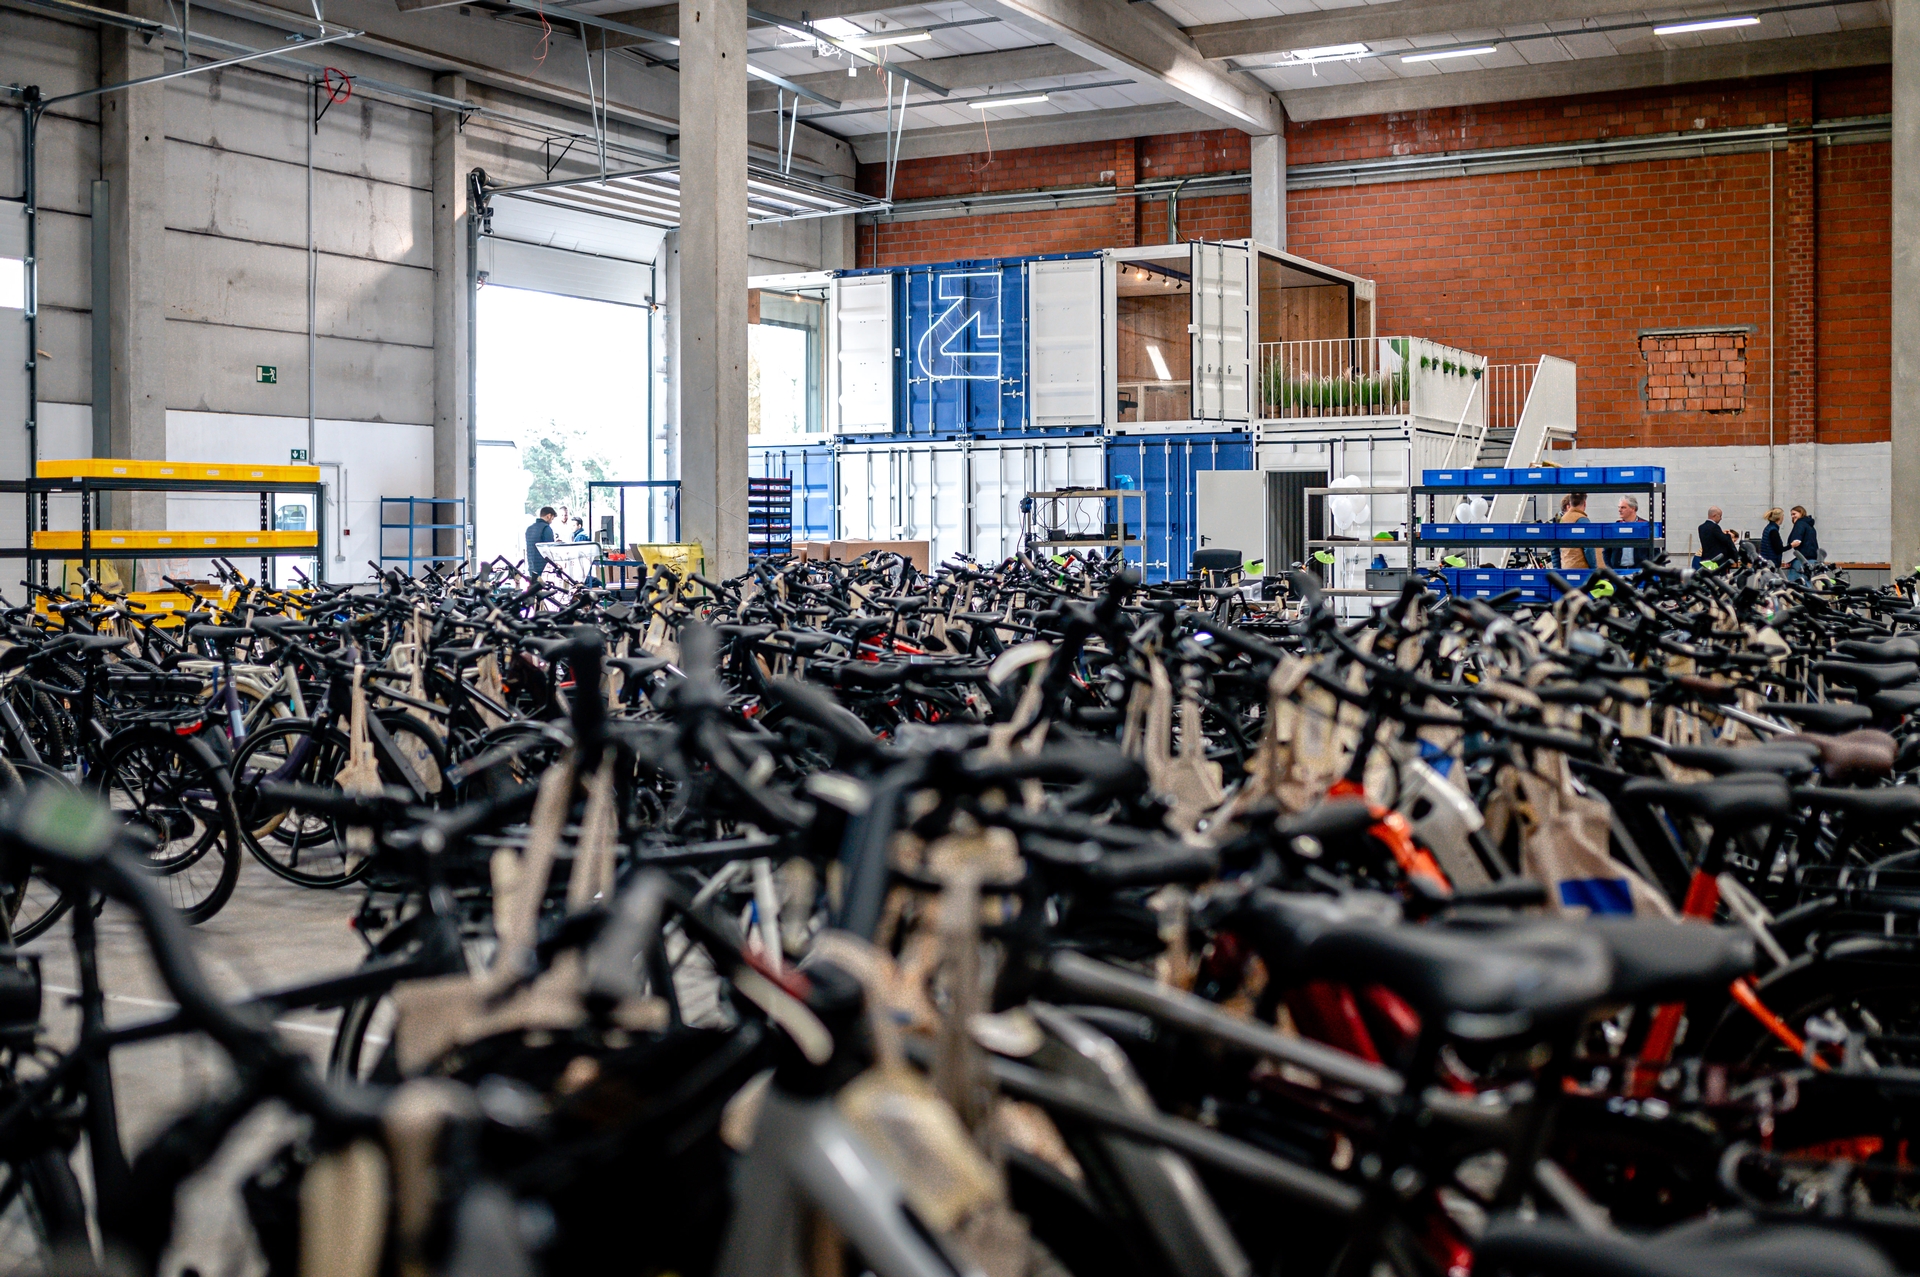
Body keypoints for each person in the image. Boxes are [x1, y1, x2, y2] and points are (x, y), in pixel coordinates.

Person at [1602, 494, 1642, 570]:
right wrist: (1611, 569)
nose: (1619, 510)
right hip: (1618, 571)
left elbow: (1655, 551)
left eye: (1623, 507)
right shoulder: (1614, 528)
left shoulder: (1644, 527)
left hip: (1639, 571)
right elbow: (1606, 551)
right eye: (1619, 507)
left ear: (1633, 508)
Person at [1558, 491, 1591, 571]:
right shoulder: (1582, 520)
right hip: (1582, 570)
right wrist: (1595, 569)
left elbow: (1555, 550)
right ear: (1585, 503)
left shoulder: (1561, 520)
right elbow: (1589, 549)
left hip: (1566, 568)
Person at [1786, 504, 1820, 581]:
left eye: (1794, 514)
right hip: (1812, 559)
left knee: (1794, 584)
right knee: (1809, 583)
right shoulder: (1810, 526)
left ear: (1801, 513)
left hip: (1800, 560)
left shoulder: (1799, 524)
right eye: (1791, 515)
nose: (1792, 516)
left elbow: (1796, 542)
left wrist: (1789, 560)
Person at [526, 505, 558, 575]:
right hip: (544, 567)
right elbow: (550, 548)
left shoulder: (529, 529)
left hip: (531, 566)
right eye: (552, 519)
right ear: (549, 516)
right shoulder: (546, 528)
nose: (551, 522)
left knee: (534, 582)